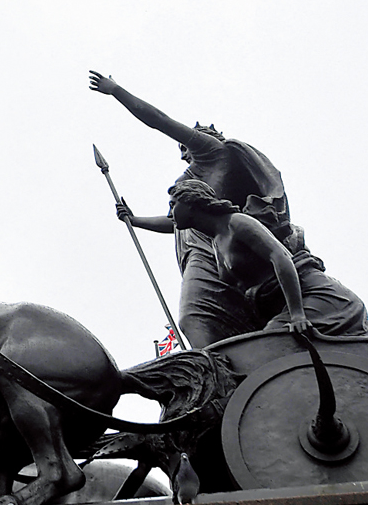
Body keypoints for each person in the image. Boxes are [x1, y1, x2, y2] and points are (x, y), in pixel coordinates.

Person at [88, 70, 303, 347]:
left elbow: (159, 121)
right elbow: (177, 221)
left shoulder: (213, 151)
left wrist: (116, 91)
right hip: (206, 248)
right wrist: (136, 220)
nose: (181, 153)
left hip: (223, 244)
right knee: (201, 319)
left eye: (184, 144)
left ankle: (218, 371)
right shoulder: (190, 180)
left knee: (195, 316)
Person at [167, 180, 368, 336]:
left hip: (315, 296)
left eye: (173, 204)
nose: (169, 213)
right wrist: (135, 221)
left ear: (190, 202)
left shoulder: (237, 222)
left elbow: (280, 257)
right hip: (279, 308)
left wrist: (297, 313)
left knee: (267, 346)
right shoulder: (216, 243)